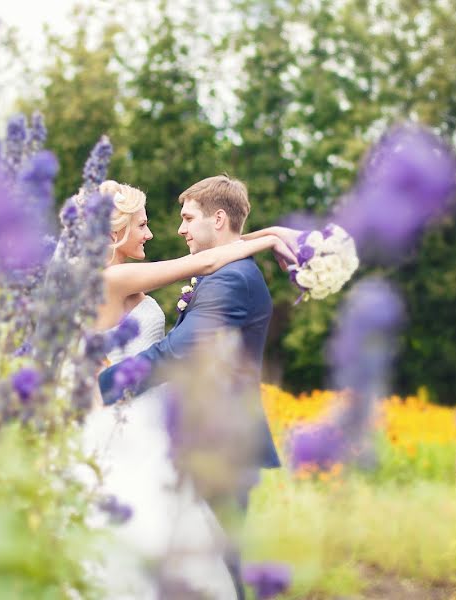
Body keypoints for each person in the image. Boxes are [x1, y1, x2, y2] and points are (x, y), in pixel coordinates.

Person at [82, 178, 292, 599]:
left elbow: (178, 344)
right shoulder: (115, 278)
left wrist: (269, 235)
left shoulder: (222, 276)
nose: (156, 232)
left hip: (180, 431)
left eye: (185, 218)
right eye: (142, 225)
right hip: (132, 419)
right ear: (114, 233)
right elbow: (203, 265)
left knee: (191, 551)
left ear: (216, 219)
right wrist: (270, 236)